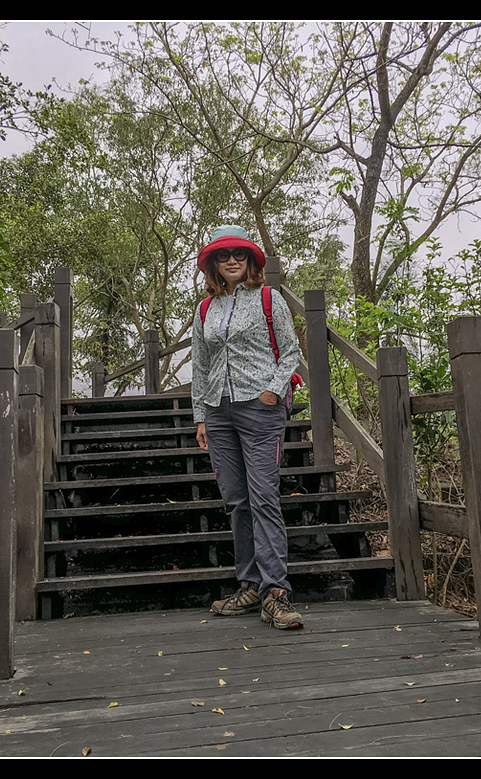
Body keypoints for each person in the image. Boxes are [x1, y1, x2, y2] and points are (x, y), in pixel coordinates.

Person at [191, 225, 303, 630]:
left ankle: (276, 591)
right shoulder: (206, 309)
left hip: (259, 408)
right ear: (214, 264)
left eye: (240, 253)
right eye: (224, 255)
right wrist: (201, 417)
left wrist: (272, 393)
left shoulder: (269, 298)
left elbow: (290, 350)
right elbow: (200, 365)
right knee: (237, 501)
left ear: (252, 260)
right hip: (218, 412)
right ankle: (251, 585)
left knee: (263, 498)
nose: (233, 259)